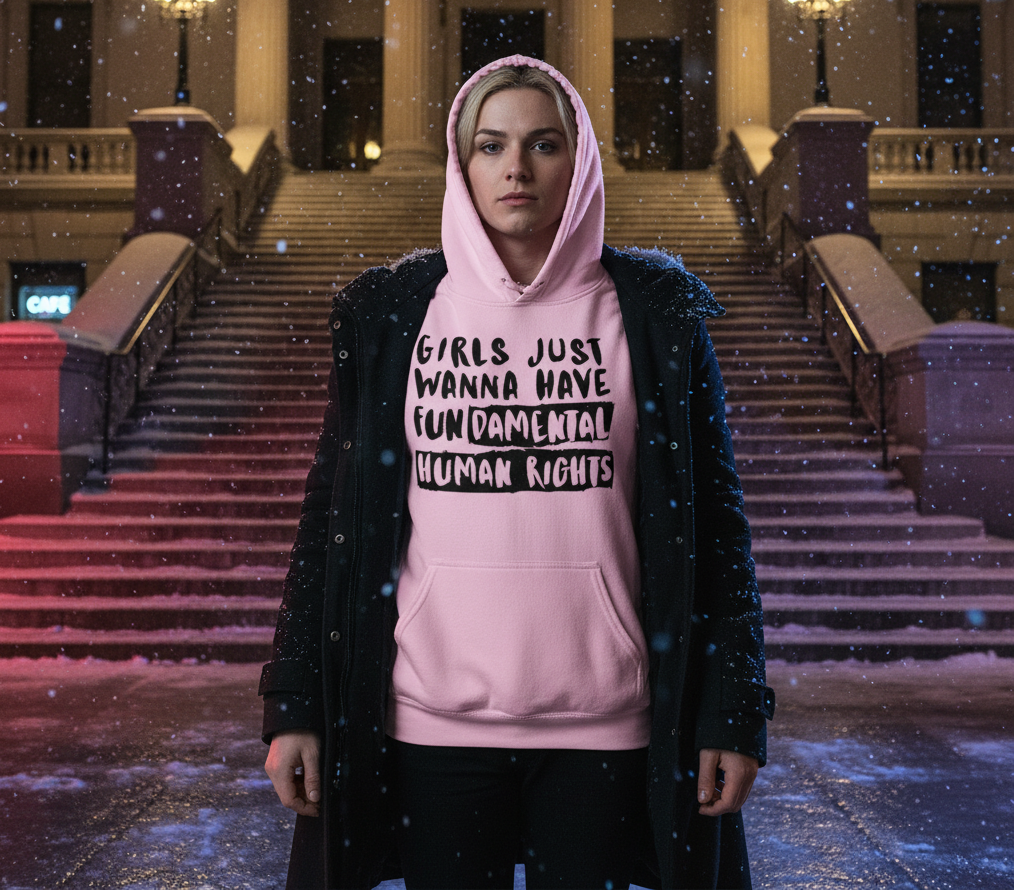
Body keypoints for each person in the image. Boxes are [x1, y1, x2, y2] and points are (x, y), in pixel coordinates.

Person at [260, 55, 774, 890]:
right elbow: (332, 518)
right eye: (491, 145)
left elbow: (716, 526)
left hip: (606, 730)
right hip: (432, 727)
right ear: (463, 165)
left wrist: (732, 709)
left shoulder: (652, 315)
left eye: (543, 144)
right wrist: (295, 705)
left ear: (578, 162)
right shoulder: (396, 314)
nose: (516, 168)